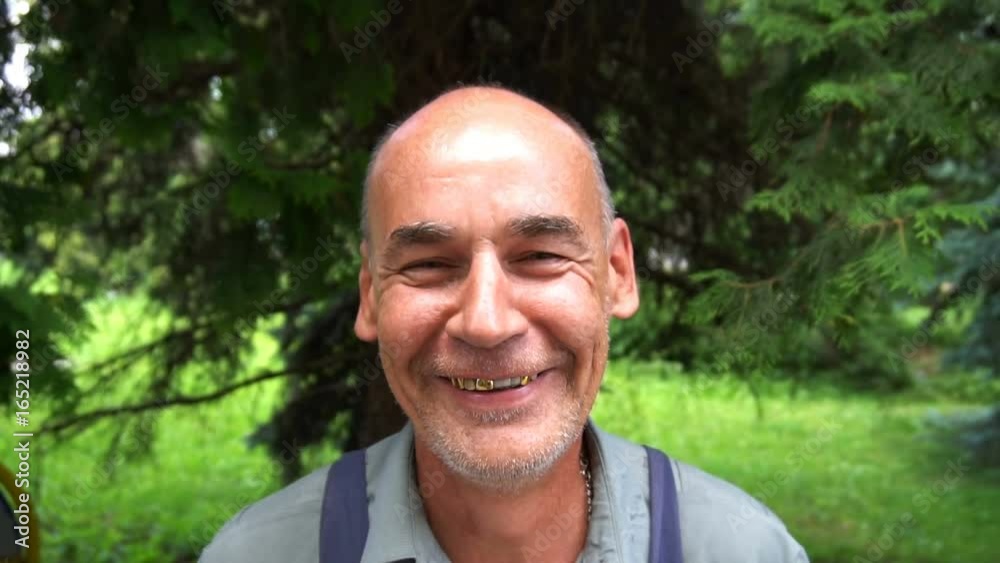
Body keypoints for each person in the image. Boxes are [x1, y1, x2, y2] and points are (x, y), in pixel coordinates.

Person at [199, 85, 809, 563]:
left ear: (618, 273)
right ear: (370, 296)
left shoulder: (744, 550)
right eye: (429, 265)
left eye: (540, 256)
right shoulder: (259, 554)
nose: (486, 322)